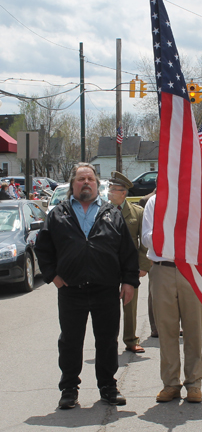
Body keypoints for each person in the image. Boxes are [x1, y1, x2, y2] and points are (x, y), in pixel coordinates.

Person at [34, 163, 140, 409]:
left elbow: (127, 252)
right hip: (71, 291)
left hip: (106, 290)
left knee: (107, 340)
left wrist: (129, 281)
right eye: (81, 179)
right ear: (73, 184)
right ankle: (69, 389)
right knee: (70, 341)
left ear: (97, 184)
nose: (86, 183)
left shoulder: (111, 213)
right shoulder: (58, 214)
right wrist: (53, 276)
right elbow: (43, 249)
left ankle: (108, 386)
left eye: (90, 179)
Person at [142, 194, 202, 403]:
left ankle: (194, 383)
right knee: (166, 329)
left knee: (193, 329)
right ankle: (170, 384)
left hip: (192, 268)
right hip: (163, 270)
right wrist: (171, 231)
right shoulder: (154, 202)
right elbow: (146, 237)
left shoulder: (196, 198)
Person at [107, 171, 150, 353]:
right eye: (109, 189)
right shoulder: (102, 211)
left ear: (123, 193)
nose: (109, 193)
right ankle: (108, 340)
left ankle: (131, 339)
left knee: (130, 304)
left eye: (113, 190)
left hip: (130, 267)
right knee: (108, 305)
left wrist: (142, 266)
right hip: (107, 266)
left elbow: (145, 242)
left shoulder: (137, 212)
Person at [138, 188, 158, 338]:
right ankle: (155, 326)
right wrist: (145, 260)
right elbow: (143, 233)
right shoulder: (147, 200)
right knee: (154, 293)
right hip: (153, 255)